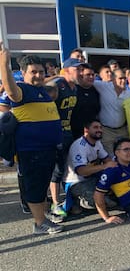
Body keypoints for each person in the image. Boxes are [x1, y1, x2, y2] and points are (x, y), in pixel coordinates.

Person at [0, 42, 63, 234]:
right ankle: (39, 223)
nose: (38, 75)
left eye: (41, 71)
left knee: (42, 185)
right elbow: (10, 91)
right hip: (32, 150)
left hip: (47, 149)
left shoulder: (42, 91)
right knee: (35, 187)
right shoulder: (22, 90)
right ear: (23, 73)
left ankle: (42, 217)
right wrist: (3, 64)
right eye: (33, 72)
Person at [49, 57, 81, 219]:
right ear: (67, 70)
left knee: (69, 169)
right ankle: (55, 204)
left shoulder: (74, 87)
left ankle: (69, 201)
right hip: (56, 133)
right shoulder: (57, 85)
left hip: (68, 132)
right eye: (77, 69)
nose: (80, 72)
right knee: (57, 170)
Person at [63, 120, 117, 213]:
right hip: (76, 182)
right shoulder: (79, 146)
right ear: (86, 130)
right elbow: (81, 171)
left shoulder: (97, 142)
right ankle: (77, 201)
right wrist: (104, 166)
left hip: (92, 178)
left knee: (117, 194)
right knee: (105, 202)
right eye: (95, 127)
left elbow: (107, 160)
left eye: (100, 128)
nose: (99, 130)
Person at [94, 69, 130, 155]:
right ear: (113, 79)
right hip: (106, 131)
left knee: (124, 155)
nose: (123, 81)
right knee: (110, 157)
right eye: (120, 78)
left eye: (124, 78)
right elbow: (85, 80)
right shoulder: (103, 86)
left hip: (123, 130)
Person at [70, 63, 101, 139]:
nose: (91, 77)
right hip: (75, 133)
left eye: (93, 75)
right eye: (88, 75)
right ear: (80, 75)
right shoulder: (73, 90)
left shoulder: (96, 91)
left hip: (92, 133)